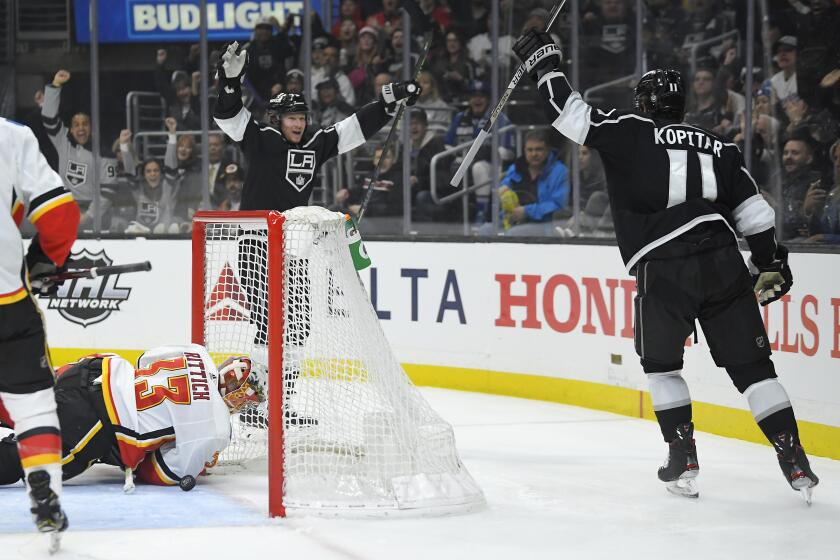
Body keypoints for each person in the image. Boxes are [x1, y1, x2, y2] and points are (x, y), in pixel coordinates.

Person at [513, 29, 820, 501]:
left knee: (661, 367)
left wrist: (544, 61)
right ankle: (794, 458)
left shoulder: (631, 130)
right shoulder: (722, 146)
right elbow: (755, 213)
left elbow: (569, 115)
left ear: (646, 102)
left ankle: (683, 458)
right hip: (723, 263)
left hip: (664, 265)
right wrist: (771, 261)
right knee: (757, 372)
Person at [213, 41, 419, 423]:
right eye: (290, 117)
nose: (298, 123)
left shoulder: (313, 143)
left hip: (293, 247)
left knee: (297, 326)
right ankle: (256, 404)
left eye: (301, 117)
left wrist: (389, 102)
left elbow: (352, 128)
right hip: (256, 244)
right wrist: (229, 81)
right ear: (276, 120)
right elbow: (228, 117)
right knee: (267, 324)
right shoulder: (263, 141)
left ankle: (279, 403)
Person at [0, 345, 257, 489]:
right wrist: (135, 459)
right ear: (240, 395)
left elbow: (145, 359)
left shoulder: (198, 353)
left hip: (92, 369)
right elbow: (162, 472)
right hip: (96, 419)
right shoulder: (216, 428)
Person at [0, 117, 80, 538]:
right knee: (32, 406)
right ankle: (44, 496)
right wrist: (42, 261)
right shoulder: (12, 137)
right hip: (8, 303)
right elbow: (61, 215)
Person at [41, 69, 119, 228]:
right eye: (76, 125)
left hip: (97, 216)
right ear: (70, 129)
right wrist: (55, 85)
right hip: (68, 209)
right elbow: (49, 118)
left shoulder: (105, 153)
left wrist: (88, 217)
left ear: (92, 127)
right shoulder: (63, 142)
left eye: (85, 124)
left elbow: (108, 192)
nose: (81, 128)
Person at [478, 130, 569, 236]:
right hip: (514, 220)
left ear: (548, 150)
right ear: (524, 151)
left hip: (545, 223)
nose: (534, 154)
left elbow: (559, 206)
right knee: (485, 230)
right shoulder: (516, 168)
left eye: (539, 149)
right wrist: (503, 196)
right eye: (529, 150)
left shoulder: (560, 171)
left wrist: (526, 211)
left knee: (514, 233)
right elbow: (503, 189)